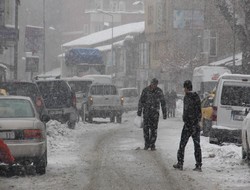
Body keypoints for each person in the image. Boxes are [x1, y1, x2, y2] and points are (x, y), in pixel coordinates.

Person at [173, 80, 202, 171]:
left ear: (186, 88)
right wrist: (197, 121)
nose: (183, 90)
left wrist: (186, 119)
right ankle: (198, 165)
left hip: (188, 125)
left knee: (182, 144)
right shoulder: (196, 97)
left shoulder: (187, 97)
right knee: (197, 145)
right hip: (195, 125)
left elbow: (187, 111)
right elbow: (199, 111)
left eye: (184, 88)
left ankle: (180, 163)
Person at [137, 78, 167, 151]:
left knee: (154, 130)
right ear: (151, 83)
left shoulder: (159, 91)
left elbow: (163, 102)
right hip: (146, 113)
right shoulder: (145, 90)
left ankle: (152, 144)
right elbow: (141, 101)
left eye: (155, 84)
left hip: (155, 113)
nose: (154, 86)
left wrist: (164, 113)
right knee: (146, 129)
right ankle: (147, 144)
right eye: (153, 84)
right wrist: (139, 111)